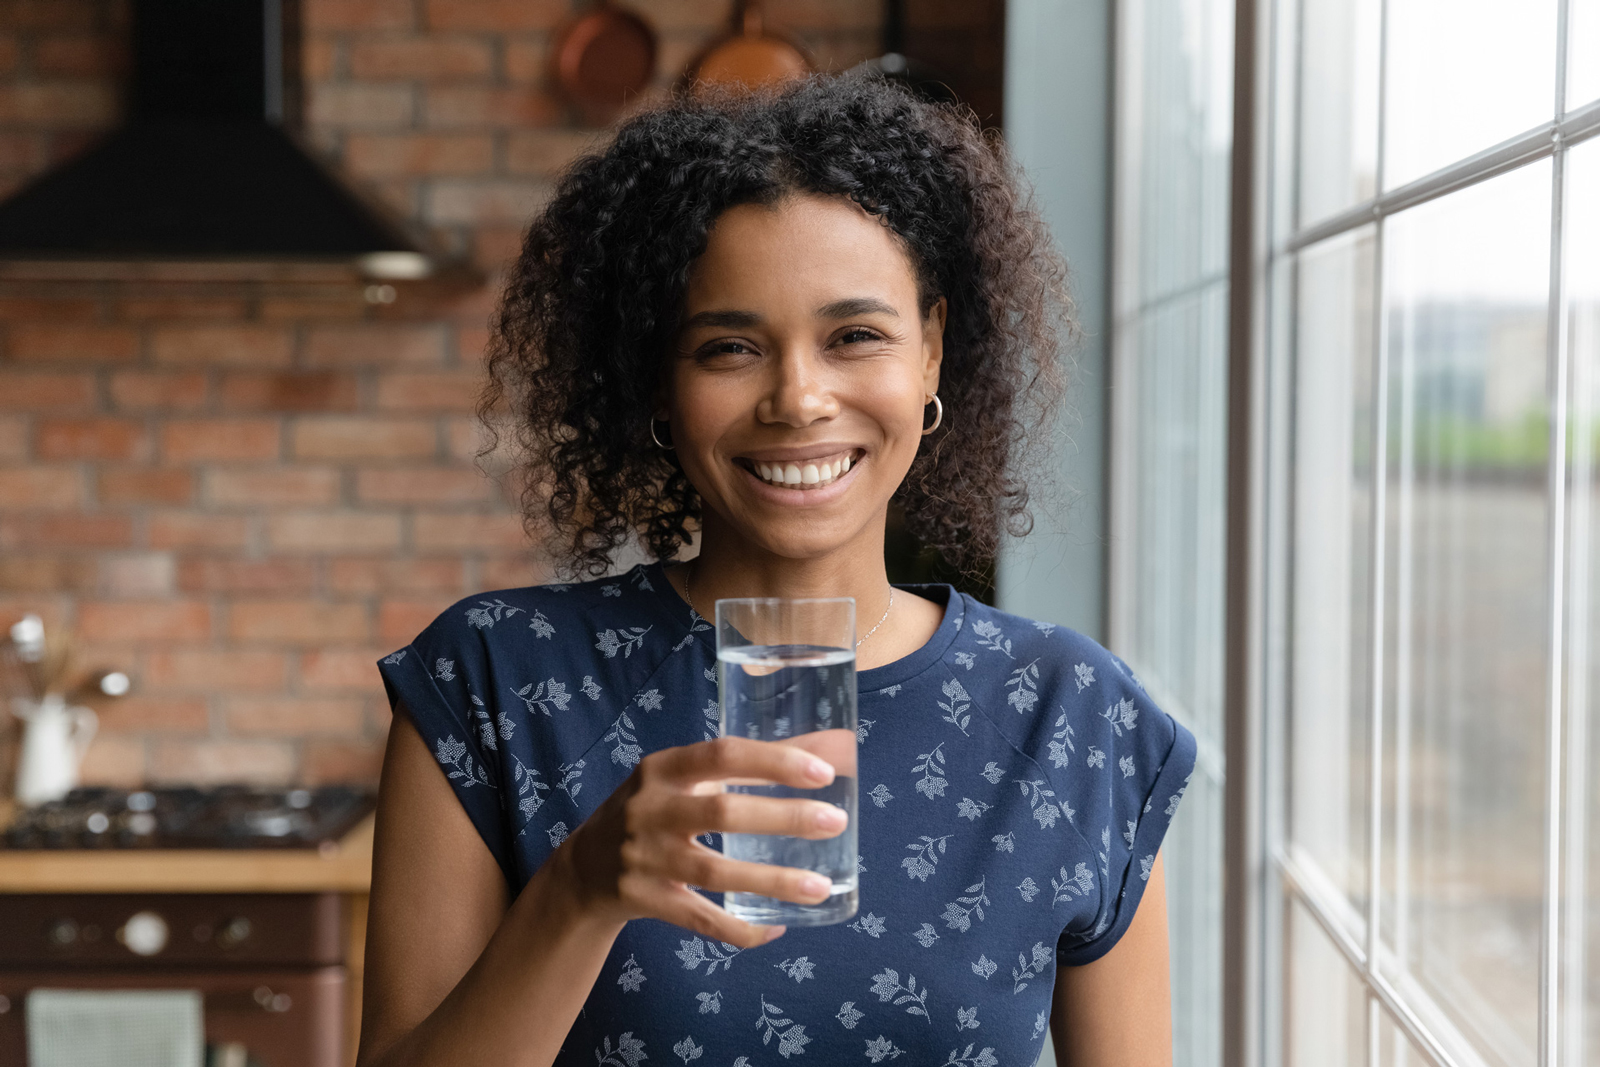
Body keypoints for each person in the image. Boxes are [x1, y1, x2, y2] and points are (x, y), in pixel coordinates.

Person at [360, 74, 1196, 1067]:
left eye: (855, 336)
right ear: (658, 385)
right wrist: (580, 890)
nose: (798, 397)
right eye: (729, 346)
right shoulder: (496, 680)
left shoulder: (1070, 714)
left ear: (930, 350)